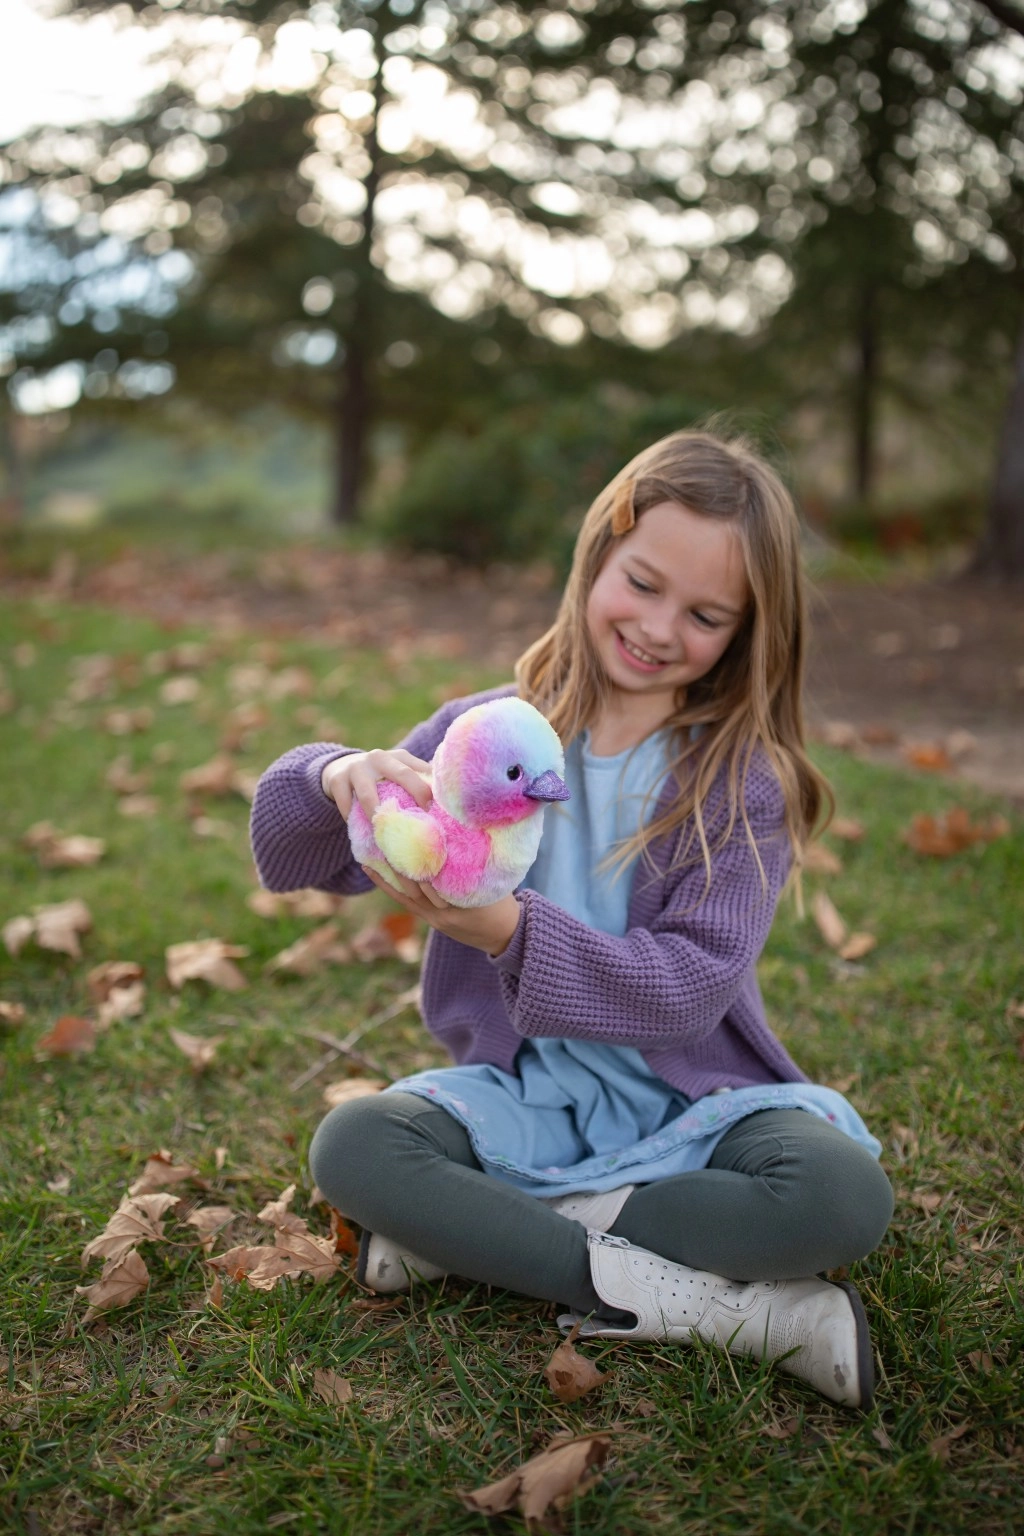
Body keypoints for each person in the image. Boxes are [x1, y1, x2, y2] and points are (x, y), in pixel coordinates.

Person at [250, 428, 893, 1411]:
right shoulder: (489, 734)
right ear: (597, 555)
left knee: (840, 1198)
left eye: (704, 614)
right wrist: (335, 773)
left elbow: (684, 993)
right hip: (528, 1097)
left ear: (746, 631)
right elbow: (306, 855)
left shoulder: (741, 784)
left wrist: (508, 934)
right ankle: (732, 1312)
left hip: (694, 1109)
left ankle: (480, 1234)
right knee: (355, 1147)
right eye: (641, 583)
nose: (659, 627)